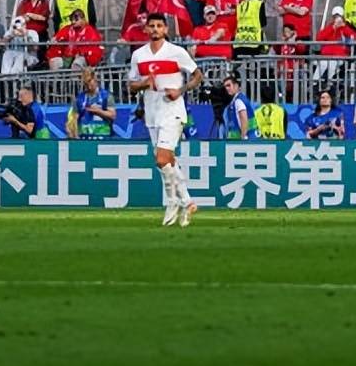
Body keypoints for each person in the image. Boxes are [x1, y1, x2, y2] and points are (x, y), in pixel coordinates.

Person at [128, 12, 204, 228]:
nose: (155, 29)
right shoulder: (139, 55)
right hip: (152, 113)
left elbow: (198, 75)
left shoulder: (176, 52)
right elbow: (131, 84)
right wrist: (144, 84)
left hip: (173, 110)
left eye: (159, 26)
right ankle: (186, 201)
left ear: (166, 30)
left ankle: (174, 201)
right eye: (151, 26)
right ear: (146, 29)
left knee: (161, 159)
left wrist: (180, 90)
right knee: (167, 161)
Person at [66, 67, 115, 139]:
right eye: (85, 83)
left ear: (95, 78)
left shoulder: (106, 96)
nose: (88, 86)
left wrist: (98, 111)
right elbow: (74, 119)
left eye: (89, 81)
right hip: (85, 138)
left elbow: (112, 115)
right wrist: (75, 136)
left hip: (104, 137)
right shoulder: (79, 98)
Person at [222, 74, 256, 140]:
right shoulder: (239, 99)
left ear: (236, 86)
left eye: (229, 85)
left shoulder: (238, 101)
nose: (227, 88)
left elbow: (243, 118)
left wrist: (243, 136)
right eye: (225, 87)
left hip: (244, 139)